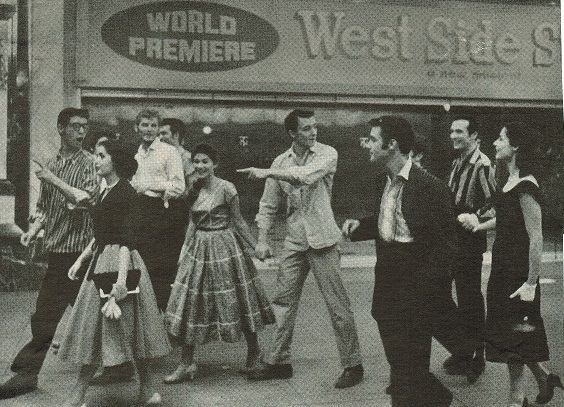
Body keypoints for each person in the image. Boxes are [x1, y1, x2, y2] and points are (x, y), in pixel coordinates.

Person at [238, 109, 364, 389]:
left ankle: (353, 364)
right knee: (282, 304)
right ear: (292, 133)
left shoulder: (326, 154)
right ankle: (279, 362)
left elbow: (304, 176)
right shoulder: (281, 161)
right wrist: (261, 239)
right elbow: (268, 205)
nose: (313, 132)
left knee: (338, 306)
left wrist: (267, 172)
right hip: (294, 241)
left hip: (323, 240)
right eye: (306, 129)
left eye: (315, 127)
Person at [342, 116, 457, 406]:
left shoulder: (431, 187)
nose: (367, 144)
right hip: (387, 282)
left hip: (416, 283)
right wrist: (361, 226)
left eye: (372, 139)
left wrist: (428, 292)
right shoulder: (383, 180)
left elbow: (445, 248)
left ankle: (425, 399)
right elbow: (391, 221)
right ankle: (438, 399)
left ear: (391, 144)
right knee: (401, 364)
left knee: (409, 368)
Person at [57, 140, 170, 407]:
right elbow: (101, 234)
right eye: (96, 156)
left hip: (122, 264)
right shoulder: (106, 191)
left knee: (130, 330)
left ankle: (142, 390)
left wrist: (120, 281)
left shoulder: (126, 194)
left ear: (114, 161)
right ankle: (142, 391)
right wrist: (80, 261)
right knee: (107, 330)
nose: (96, 160)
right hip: (101, 261)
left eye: (101, 156)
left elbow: (126, 240)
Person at [0, 108, 98, 400]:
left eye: (84, 127)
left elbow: (85, 200)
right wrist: (35, 228)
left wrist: (50, 178)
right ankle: (27, 374)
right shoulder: (52, 162)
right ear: (61, 128)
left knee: (93, 316)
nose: (81, 132)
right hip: (57, 252)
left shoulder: (89, 163)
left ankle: (128, 367)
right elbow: (44, 206)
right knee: (49, 316)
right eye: (75, 127)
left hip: (81, 255)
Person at [163, 143, 274, 383]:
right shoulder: (192, 187)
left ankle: (254, 353)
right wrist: (184, 249)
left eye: (205, 161)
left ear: (215, 164)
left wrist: (256, 247)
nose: (200, 166)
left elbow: (239, 222)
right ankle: (186, 363)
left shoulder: (227, 188)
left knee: (238, 299)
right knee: (190, 304)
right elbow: (193, 222)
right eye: (196, 162)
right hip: (198, 249)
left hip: (225, 247)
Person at [473, 122, 562, 407]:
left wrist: (531, 283)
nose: (496, 143)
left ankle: (516, 400)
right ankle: (545, 378)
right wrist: (479, 226)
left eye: (501, 138)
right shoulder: (509, 180)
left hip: (518, 274)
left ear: (516, 147)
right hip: (502, 269)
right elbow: (507, 219)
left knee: (516, 339)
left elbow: (536, 237)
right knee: (509, 335)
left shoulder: (526, 185)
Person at [444, 116, 496, 382]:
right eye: (452, 131)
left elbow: (495, 203)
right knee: (441, 294)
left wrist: (475, 217)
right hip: (453, 238)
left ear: (474, 136)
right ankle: (462, 348)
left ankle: (477, 356)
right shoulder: (458, 162)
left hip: (469, 239)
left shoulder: (483, 164)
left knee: (469, 298)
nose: (453, 135)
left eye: (460, 131)